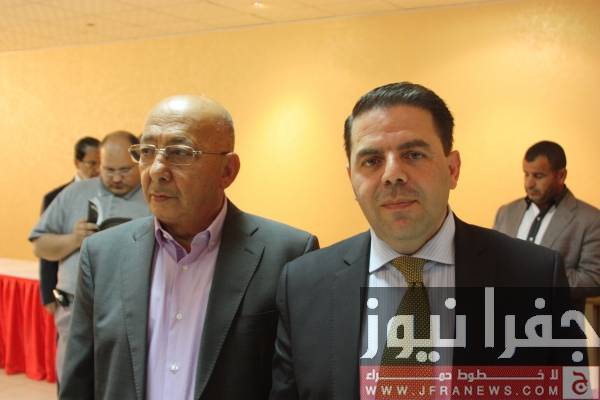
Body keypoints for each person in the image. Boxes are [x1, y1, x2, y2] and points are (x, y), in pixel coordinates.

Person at [270, 82, 575, 399]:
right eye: (371, 160)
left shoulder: (535, 277)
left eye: (413, 155)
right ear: (351, 179)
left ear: (452, 169)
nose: (393, 175)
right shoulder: (303, 286)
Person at [59, 95, 319, 400]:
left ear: (227, 171)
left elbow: (299, 385)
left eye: (180, 152)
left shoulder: (288, 255)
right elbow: (79, 383)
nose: (156, 170)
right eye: (147, 151)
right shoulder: (102, 254)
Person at [29, 130, 150, 382]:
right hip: (75, 309)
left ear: (140, 161)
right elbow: (40, 245)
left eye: (125, 170)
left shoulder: (155, 196)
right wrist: (74, 239)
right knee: (74, 382)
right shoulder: (73, 193)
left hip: (134, 311)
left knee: (124, 384)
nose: (116, 178)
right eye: (108, 170)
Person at [494, 141, 600, 294]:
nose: (529, 184)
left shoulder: (590, 220)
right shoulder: (506, 212)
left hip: (554, 309)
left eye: (538, 176)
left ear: (561, 175)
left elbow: (593, 279)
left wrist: (542, 277)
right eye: (526, 174)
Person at [39, 136, 100, 315]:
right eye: (92, 163)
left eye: (101, 164)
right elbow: (46, 246)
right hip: (68, 290)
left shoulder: (112, 194)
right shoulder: (56, 197)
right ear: (77, 162)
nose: (97, 169)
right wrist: (48, 294)